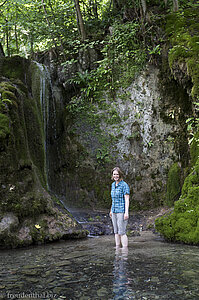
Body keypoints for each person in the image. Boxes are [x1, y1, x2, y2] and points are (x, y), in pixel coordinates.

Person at [110, 167, 130, 248]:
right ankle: (117, 249)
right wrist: (111, 210)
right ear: (112, 175)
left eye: (117, 174)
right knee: (116, 232)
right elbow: (113, 199)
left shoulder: (124, 185)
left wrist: (126, 212)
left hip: (121, 211)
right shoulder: (113, 185)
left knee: (122, 232)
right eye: (114, 174)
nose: (116, 176)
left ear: (120, 175)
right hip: (114, 210)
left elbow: (127, 199)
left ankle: (125, 251)